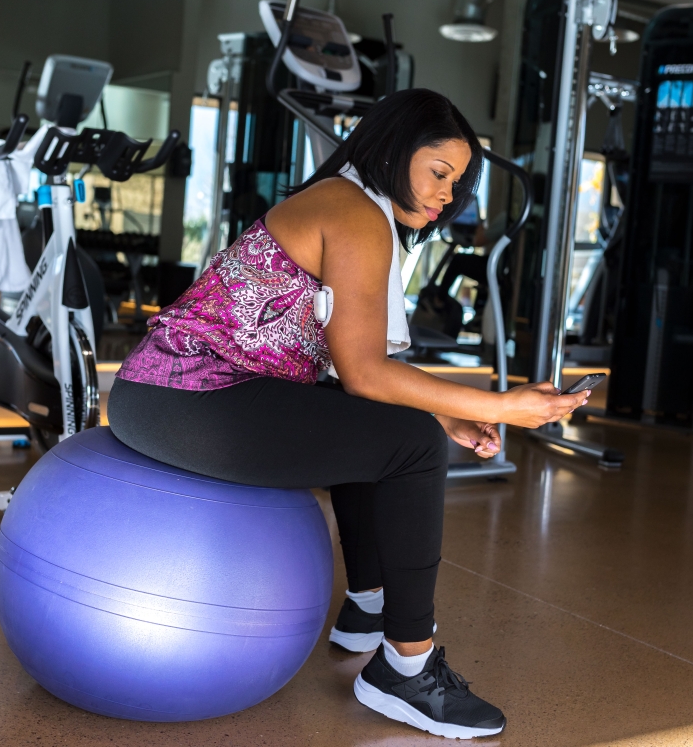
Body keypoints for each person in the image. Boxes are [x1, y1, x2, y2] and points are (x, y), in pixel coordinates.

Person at [108, 88, 588, 739]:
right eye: (439, 173)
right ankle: (406, 671)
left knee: (394, 428)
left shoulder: (349, 202)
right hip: (185, 398)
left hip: (168, 395)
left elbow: (349, 370)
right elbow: (366, 374)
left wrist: (448, 415)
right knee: (410, 445)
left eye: (458, 181)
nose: (448, 195)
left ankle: (367, 608)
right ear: (393, 153)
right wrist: (501, 405)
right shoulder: (354, 212)